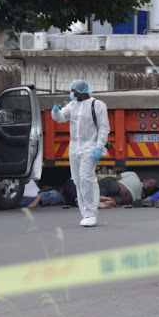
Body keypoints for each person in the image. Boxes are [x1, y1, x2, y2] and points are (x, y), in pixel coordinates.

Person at [52, 79, 109, 227]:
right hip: (75, 148)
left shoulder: (97, 105)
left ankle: (91, 213)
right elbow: (61, 118)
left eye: (74, 91)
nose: (72, 93)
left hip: (90, 147)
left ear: (82, 91)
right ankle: (85, 213)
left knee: (86, 178)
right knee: (77, 180)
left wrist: (99, 146)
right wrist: (56, 111)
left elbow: (103, 127)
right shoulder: (72, 105)